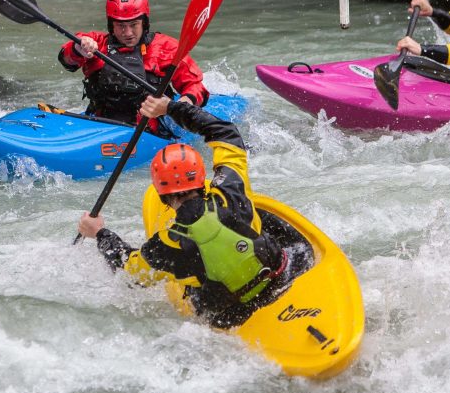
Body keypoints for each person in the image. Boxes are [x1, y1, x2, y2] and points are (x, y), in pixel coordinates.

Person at [77, 95, 300, 329]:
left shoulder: (167, 245)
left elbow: (130, 272)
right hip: (280, 277)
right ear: (202, 178)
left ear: (162, 196)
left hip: (232, 315)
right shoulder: (230, 189)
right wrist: (171, 107)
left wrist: (100, 234)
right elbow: (225, 133)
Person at [58, 0, 209, 130]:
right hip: (99, 127)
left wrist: (182, 104)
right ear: (111, 25)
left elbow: (196, 86)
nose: (128, 33)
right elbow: (66, 59)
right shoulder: (95, 44)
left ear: (144, 22)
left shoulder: (167, 48)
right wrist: (78, 48)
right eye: (121, 26)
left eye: (134, 25)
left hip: (151, 134)